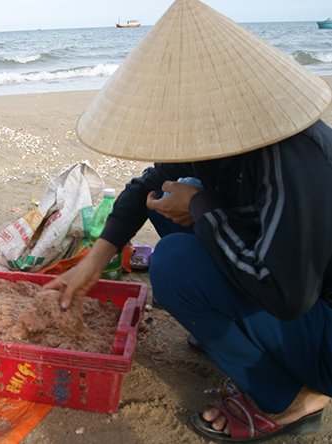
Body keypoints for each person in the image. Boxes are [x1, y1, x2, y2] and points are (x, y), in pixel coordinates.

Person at [43, 0, 332, 442]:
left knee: (174, 262)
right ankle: (231, 326)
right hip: (284, 286)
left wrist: (200, 206)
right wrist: (94, 261)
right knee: (168, 199)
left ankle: (292, 401)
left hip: (318, 319)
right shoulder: (214, 133)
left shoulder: (289, 153)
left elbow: (287, 294)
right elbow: (146, 188)